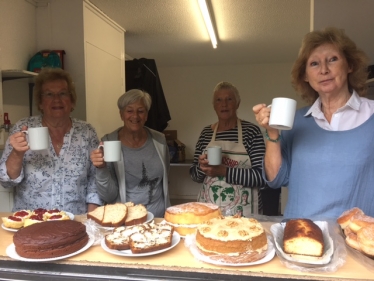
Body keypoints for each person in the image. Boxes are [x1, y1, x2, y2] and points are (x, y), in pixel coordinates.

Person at [253, 27, 374, 219]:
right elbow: (276, 179)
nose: (324, 70)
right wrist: (272, 133)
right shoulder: (296, 121)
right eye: (314, 64)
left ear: (350, 65)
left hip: (353, 243)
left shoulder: (371, 115)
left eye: (333, 59)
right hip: (299, 238)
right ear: (305, 76)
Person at [0, 68, 103, 214]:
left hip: (74, 222)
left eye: (63, 93)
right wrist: (17, 153)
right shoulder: (23, 128)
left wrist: (91, 219)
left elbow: (95, 180)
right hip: (31, 223)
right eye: (49, 94)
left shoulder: (86, 132)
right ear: (40, 103)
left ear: (71, 100)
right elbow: (6, 182)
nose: (56, 99)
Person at [190, 82, 266, 217]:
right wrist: (201, 168)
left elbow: (262, 177)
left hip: (245, 215)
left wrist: (223, 171)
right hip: (210, 213)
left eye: (229, 99)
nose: (224, 104)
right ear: (214, 105)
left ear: (237, 103)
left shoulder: (251, 131)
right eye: (219, 100)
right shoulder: (206, 133)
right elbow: (195, 176)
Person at [90, 89, 170, 218]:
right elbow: (108, 196)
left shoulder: (159, 140)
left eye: (141, 111)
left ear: (146, 115)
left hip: (158, 218)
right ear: (121, 114)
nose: (135, 116)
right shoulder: (109, 142)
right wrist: (101, 168)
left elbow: (165, 178)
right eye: (129, 111)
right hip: (125, 220)